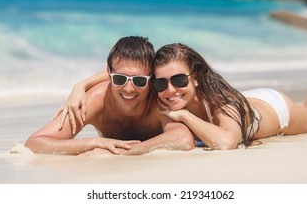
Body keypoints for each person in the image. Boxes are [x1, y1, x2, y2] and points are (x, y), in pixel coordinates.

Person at [62, 42, 307, 150]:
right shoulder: (155, 87)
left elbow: (226, 142)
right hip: (246, 104)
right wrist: (81, 85)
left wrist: (186, 115)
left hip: (275, 111)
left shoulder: (220, 99)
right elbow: (127, 75)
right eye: (161, 84)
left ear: (196, 77)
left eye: (179, 80)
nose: (170, 90)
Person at [25, 37, 194, 155]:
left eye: (139, 81)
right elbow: (35, 144)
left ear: (151, 79)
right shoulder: (95, 100)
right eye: (120, 79)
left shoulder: (158, 98)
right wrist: (92, 143)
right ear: (108, 73)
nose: (129, 88)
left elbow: (184, 139)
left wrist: (121, 152)